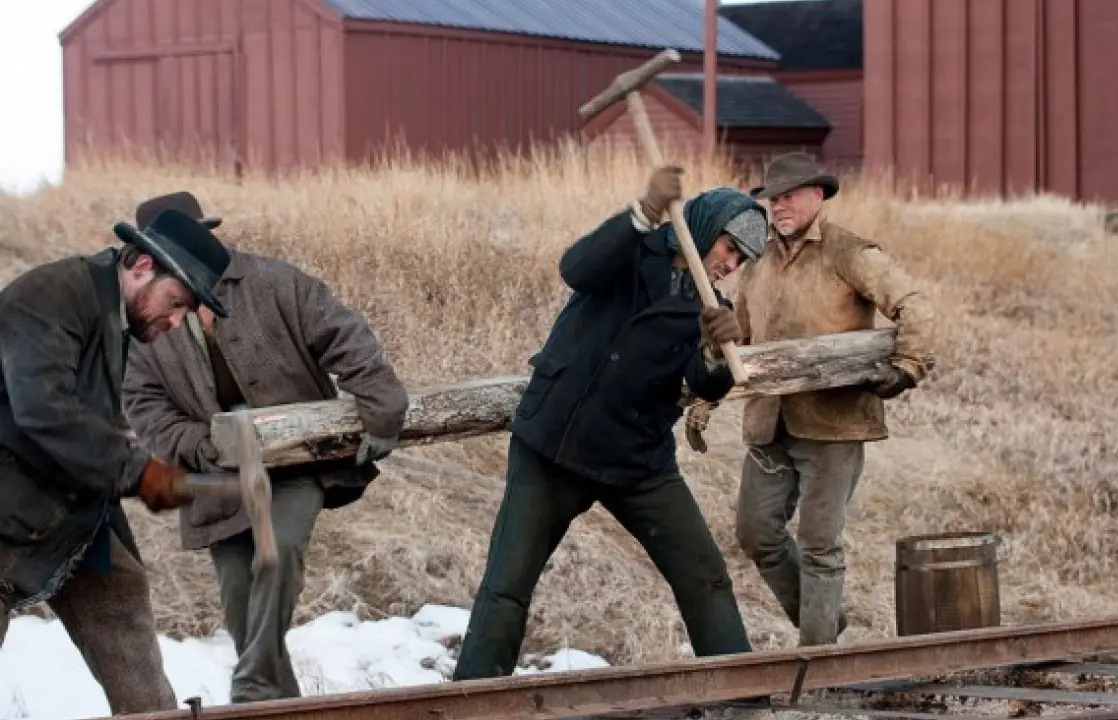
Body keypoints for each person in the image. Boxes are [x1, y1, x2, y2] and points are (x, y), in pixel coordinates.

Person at [452, 168, 768, 681]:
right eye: (729, 248)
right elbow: (576, 268)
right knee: (507, 586)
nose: (730, 265)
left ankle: (744, 700)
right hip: (555, 444)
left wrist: (716, 352)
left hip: (637, 461)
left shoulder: (711, 307)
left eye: (741, 260)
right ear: (705, 228)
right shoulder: (632, 249)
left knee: (705, 577)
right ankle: (473, 701)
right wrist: (642, 213)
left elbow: (705, 384)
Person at [121, 191, 409, 704]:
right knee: (242, 608)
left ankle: (250, 689)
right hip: (215, 481)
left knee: (278, 556)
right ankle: (278, 705)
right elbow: (144, 406)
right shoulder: (146, 321)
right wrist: (199, 445)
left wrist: (382, 410)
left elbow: (344, 334)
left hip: (297, 463)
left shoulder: (273, 281)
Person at [0, 206, 232, 713]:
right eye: (176, 302)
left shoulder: (115, 317)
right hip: (6, 513)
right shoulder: (51, 296)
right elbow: (45, 410)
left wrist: (118, 525)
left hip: (69, 519)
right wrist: (139, 472)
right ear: (143, 266)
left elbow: (92, 427)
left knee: (120, 589)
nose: (176, 321)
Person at [732, 152, 936, 647]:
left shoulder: (850, 253)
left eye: (788, 196)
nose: (778, 206)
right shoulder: (757, 259)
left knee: (820, 546)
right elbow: (735, 339)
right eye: (772, 198)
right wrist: (702, 398)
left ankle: (817, 658)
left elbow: (916, 304)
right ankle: (825, 622)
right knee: (756, 533)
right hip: (768, 421)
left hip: (833, 424)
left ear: (817, 195)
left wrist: (907, 366)